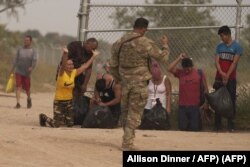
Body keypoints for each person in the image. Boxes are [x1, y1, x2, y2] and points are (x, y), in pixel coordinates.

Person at [110, 17, 170, 151]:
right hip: (139, 83)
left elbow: (113, 65)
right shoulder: (145, 42)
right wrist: (165, 45)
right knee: (135, 112)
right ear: (144, 28)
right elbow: (163, 57)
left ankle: (127, 139)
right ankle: (127, 144)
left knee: (126, 112)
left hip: (125, 83)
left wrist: (119, 78)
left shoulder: (119, 42)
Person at [39, 48, 99, 128]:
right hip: (59, 102)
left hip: (69, 102)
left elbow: (85, 66)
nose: (71, 66)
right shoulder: (61, 74)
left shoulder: (74, 73)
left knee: (70, 124)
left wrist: (93, 56)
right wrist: (65, 54)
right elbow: (63, 65)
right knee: (56, 125)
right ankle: (44, 117)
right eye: (69, 65)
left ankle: (61, 118)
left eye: (72, 64)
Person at [168, 53, 209, 131]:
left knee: (195, 128)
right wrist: (179, 58)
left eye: (188, 68)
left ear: (192, 66)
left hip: (195, 107)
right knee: (183, 128)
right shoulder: (180, 73)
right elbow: (169, 68)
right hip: (183, 107)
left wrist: (206, 103)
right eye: (185, 69)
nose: (186, 70)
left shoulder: (199, 73)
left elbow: (206, 90)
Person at [213, 25, 243, 132]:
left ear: (228, 34)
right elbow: (216, 61)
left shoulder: (237, 47)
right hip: (219, 77)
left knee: (231, 101)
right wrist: (221, 73)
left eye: (222, 36)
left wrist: (227, 75)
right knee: (217, 101)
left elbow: (234, 63)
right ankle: (217, 125)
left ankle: (231, 126)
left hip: (231, 79)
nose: (221, 38)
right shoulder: (219, 47)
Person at [10, 35, 37, 109]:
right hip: (18, 70)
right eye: (25, 40)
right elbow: (15, 59)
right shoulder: (20, 49)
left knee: (27, 89)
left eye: (27, 40)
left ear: (30, 41)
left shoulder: (33, 50)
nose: (25, 41)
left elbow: (34, 60)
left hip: (27, 73)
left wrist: (32, 67)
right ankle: (18, 103)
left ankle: (29, 98)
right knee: (18, 86)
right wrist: (11, 68)